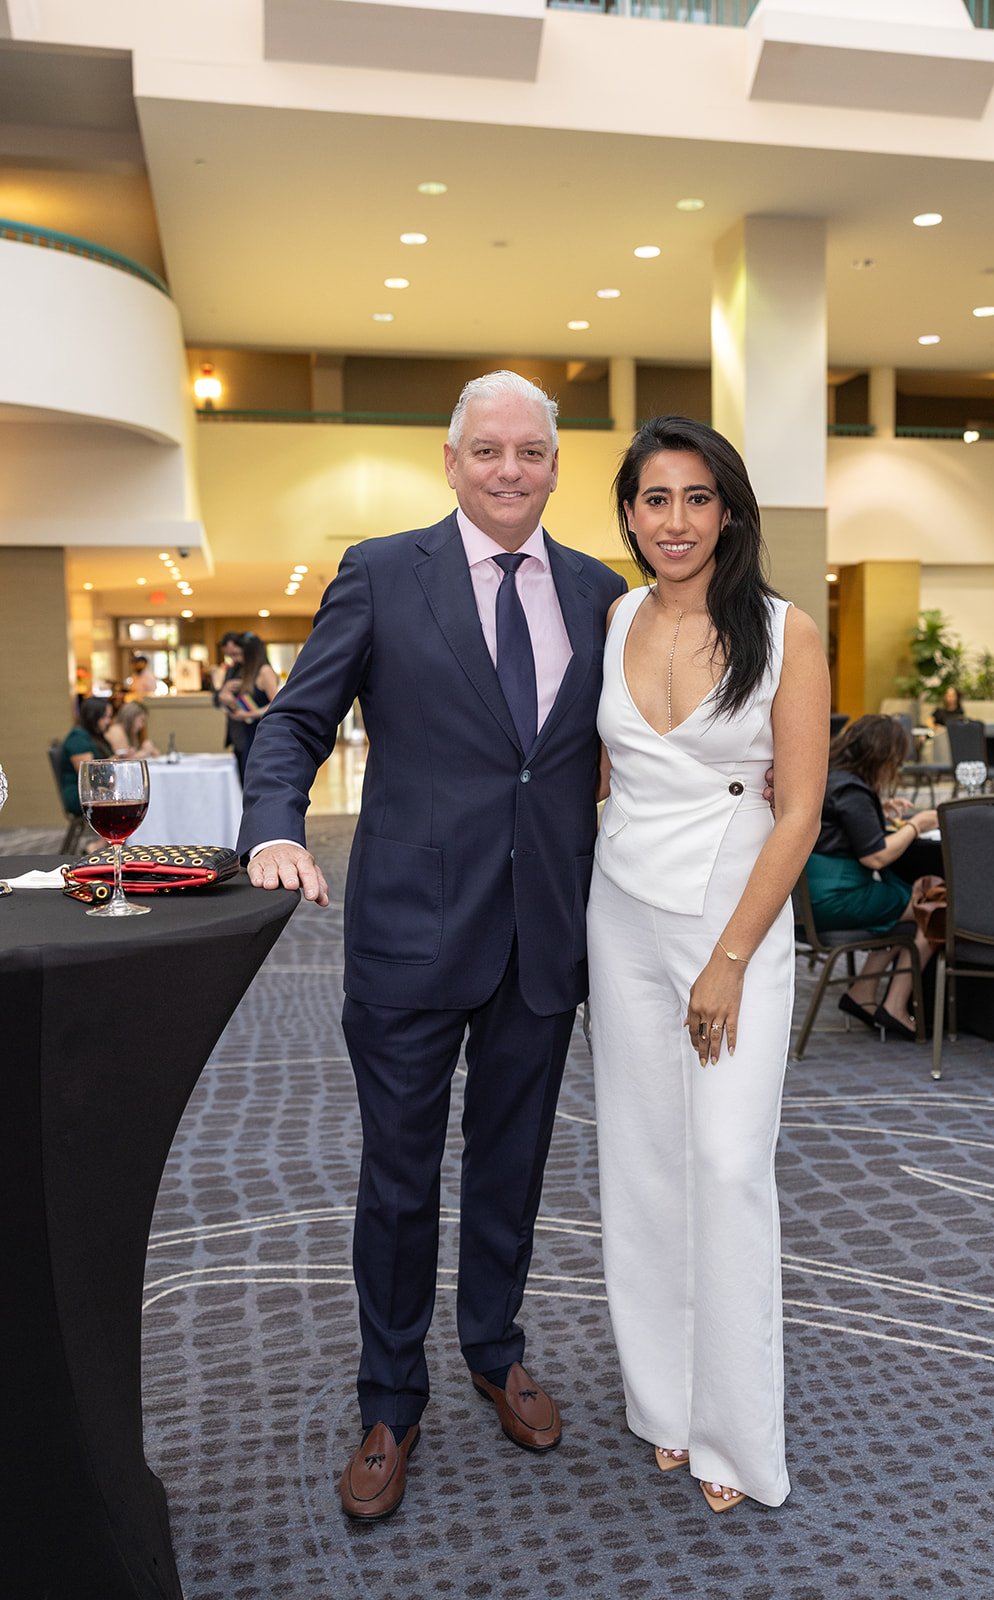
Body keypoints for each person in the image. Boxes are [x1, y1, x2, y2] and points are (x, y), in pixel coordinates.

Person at [236, 371, 629, 1521]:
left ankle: (493, 1348)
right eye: (488, 451)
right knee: (399, 1184)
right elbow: (297, 719)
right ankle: (389, 1399)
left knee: (510, 1171)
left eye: (533, 452)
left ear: (555, 466)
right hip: (409, 930)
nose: (511, 470)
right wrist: (272, 828)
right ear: (449, 461)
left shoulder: (601, 594)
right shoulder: (379, 572)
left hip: (543, 939)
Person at [587, 417, 828, 1515]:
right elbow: (601, 783)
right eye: (652, 498)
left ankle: (734, 1427)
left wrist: (729, 957)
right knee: (641, 1162)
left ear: (727, 510)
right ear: (628, 512)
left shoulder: (786, 631)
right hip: (621, 914)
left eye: (694, 498)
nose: (672, 521)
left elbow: (803, 810)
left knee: (725, 1165)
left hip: (733, 917)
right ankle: (665, 1406)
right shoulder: (614, 617)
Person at [807, 713, 938, 1038]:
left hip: (809, 898)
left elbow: (841, 823)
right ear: (881, 756)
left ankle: (862, 994)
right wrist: (915, 825)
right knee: (933, 904)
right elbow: (876, 856)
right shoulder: (852, 791)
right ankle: (895, 1004)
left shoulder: (831, 778)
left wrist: (877, 809)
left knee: (907, 914)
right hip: (838, 897)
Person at [216, 632, 279, 784]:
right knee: (245, 781)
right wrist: (225, 694)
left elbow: (277, 703)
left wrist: (249, 714)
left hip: (259, 732)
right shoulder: (244, 671)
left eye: (239, 654)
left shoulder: (264, 671)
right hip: (244, 735)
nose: (236, 658)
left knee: (255, 781)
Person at [58, 696, 114, 815]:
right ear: (92, 716)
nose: (108, 721)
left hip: (96, 791)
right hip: (81, 795)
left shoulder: (95, 737)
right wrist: (113, 762)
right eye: (104, 717)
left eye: (109, 717)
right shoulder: (78, 739)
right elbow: (88, 774)